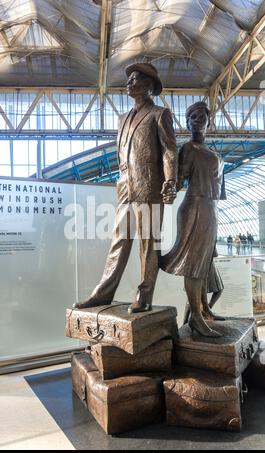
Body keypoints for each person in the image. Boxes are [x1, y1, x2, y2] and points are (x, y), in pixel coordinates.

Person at [73, 62, 178, 313]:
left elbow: (169, 152)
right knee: (119, 242)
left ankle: (145, 294)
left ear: (149, 85)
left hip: (151, 188)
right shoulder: (122, 119)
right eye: (129, 79)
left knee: (149, 244)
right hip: (125, 189)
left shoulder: (159, 114)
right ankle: (103, 293)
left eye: (135, 79)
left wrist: (170, 180)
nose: (129, 83)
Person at [161, 101, 225, 337]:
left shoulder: (217, 157)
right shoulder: (188, 148)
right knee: (193, 265)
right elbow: (178, 181)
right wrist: (167, 188)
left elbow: (220, 193)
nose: (196, 120)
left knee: (204, 262)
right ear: (187, 124)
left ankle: (205, 309)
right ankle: (196, 317)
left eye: (200, 117)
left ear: (209, 122)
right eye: (192, 118)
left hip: (211, 209)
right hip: (194, 207)